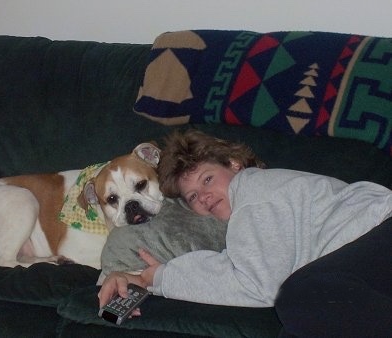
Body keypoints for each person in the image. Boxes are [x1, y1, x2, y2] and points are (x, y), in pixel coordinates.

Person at [98, 129, 392, 337]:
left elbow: (257, 285)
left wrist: (160, 278)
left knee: (298, 296)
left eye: (208, 179)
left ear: (234, 164)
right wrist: (138, 277)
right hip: (364, 265)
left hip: (381, 228)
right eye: (192, 197)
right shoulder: (250, 217)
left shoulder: (253, 191)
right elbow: (234, 265)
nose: (204, 197)